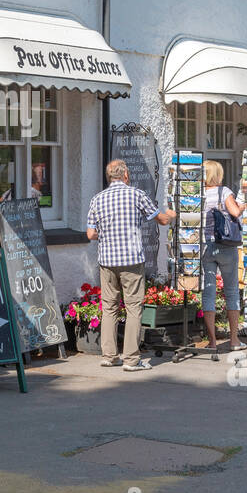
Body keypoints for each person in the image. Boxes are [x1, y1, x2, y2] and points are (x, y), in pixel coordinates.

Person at [86, 159, 176, 371]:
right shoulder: (136, 195)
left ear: (110, 176)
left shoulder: (97, 199)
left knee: (109, 308)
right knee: (134, 308)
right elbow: (160, 219)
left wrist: (107, 235)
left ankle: (109, 355)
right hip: (131, 260)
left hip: (107, 261)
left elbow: (90, 234)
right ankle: (131, 359)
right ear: (125, 175)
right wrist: (171, 215)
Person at [200, 160, 246, 352]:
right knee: (232, 291)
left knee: (208, 292)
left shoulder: (198, 194)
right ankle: (234, 340)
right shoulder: (224, 191)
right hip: (226, 246)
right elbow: (235, 211)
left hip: (205, 246)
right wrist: (243, 204)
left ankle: (211, 341)